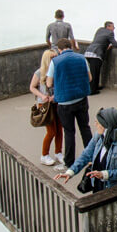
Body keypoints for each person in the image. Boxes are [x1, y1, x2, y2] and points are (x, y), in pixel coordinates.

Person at [55, 107, 117, 193]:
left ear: (106, 126)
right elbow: (86, 155)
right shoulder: (98, 136)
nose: (95, 124)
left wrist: (103, 174)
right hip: (97, 184)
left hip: (112, 189)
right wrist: (70, 172)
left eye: (98, 122)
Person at [48, 37, 91, 168]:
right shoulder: (82, 58)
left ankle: (69, 162)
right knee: (85, 128)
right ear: (71, 47)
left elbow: (49, 83)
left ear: (59, 49)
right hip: (81, 99)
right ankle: (91, 156)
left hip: (65, 103)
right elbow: (90, 78)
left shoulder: (55, 61)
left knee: (69, 132)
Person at [29, 63, 63, 166]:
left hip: (55, 102)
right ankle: (44, 155)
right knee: (51, 131)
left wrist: (55, 96)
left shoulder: (56, 70)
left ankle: (58, 152)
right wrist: (42, 96)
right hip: (44, 104)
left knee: (59, 129)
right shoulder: (39, 73)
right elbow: (32, 87)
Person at [84, 21, 117, 95]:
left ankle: (95, 87)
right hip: (96, 53)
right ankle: (92, 90)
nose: (114, 29)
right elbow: (115, 44)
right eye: (113, 27)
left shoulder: (100, 30)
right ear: (108, 27)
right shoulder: (110, 33)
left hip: (89, 51)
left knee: (95, 71)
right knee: (94, 72)